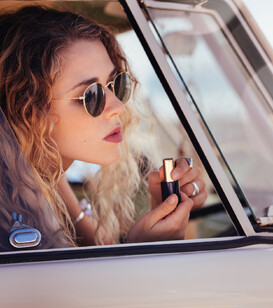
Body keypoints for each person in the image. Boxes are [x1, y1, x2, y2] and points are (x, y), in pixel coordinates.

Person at [0, 6, 207, 247]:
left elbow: (94, 246)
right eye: (92, 95)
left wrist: (162, 211)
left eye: (114, 83)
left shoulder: (45, 181)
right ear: (29, 112)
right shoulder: (10, 220)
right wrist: (143, 252)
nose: (118, 105)